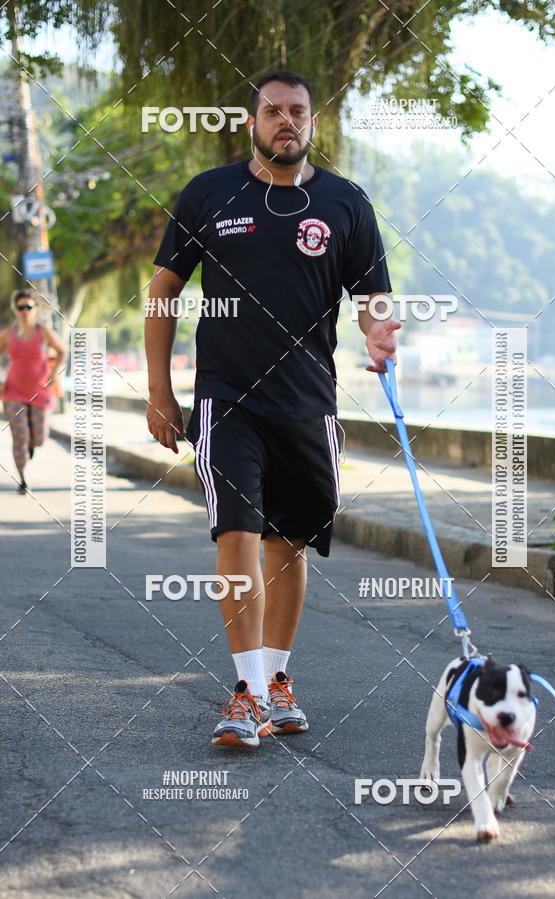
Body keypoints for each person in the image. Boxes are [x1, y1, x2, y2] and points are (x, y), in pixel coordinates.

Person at [145, 70, 400, 748]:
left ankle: (277, 677)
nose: (285, 120)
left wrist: (378, 330)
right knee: (237, 534)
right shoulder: (210, 193)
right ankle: (247, 693)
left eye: (297, 111)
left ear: (313, 123)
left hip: (308, 404)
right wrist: (159, 390)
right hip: (226, 400)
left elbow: (373, 292)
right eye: (272, 111)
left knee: (289, 546)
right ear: (251, 123)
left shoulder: (345, 202)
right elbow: (163, 289)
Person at [0, 289, 66, 493]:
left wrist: (54, 373)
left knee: (39, 438)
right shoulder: (8, 334)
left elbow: (63, 351)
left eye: (29, 306)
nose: (25, 311)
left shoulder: (43, 331)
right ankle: (23, 478)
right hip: (13, 392)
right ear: (15, 309)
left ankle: (31, 444)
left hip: (41, 391)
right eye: (21, 307)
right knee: (19, 436)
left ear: (35, 309)